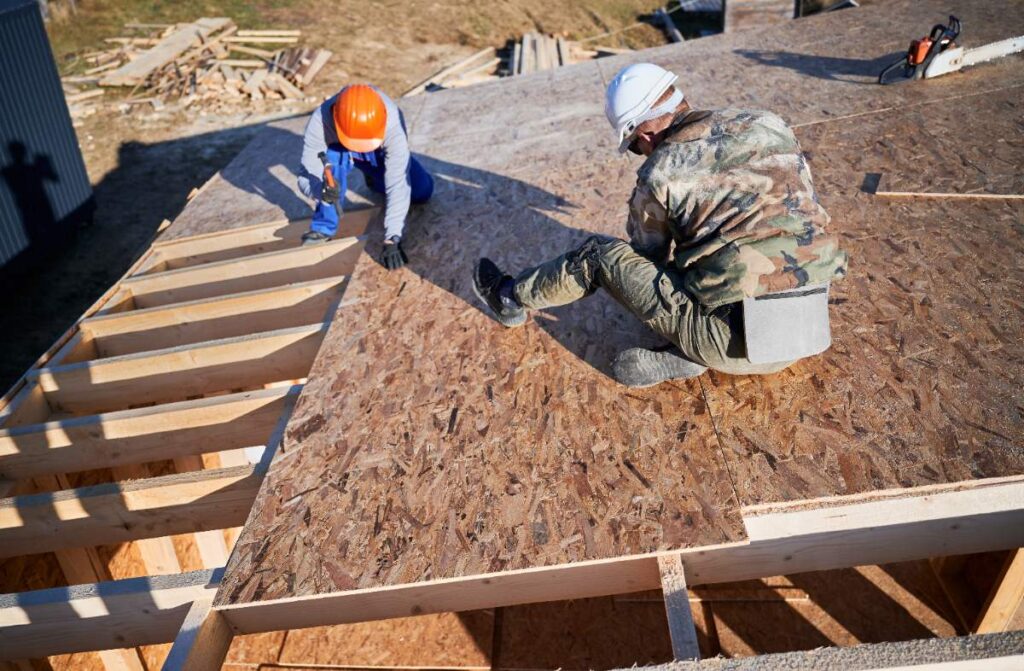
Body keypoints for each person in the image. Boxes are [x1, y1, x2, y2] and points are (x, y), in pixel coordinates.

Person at [472, 63, 848, 387]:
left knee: (601, 257)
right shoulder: (768, 122)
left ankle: (508, 298)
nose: (640, 152)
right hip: (809, 326)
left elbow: (644, 256)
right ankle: (693, 352)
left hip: (732, 341)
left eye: (635, 145)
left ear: (646, 134)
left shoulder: (661, 170)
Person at [297, 84, 434, 269]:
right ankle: (323, 227)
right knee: (328, 169)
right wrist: (319, 192)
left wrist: (392, 237)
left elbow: (397, 182)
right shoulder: (320, 121)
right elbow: (306, 173)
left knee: (421, 192)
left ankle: (375, 177)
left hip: (378, 152)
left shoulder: (393, 122)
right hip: (340, 148)